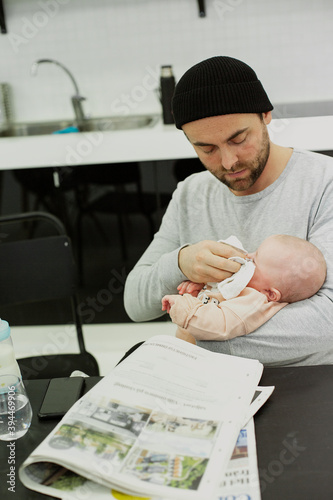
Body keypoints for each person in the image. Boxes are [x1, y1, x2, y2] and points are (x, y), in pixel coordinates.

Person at [124, 55, 333, 366]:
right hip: (210, 382)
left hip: (304, 384)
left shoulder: (323, 183)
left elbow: (326, 322)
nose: (227, 162)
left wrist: (196, 338)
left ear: (266, 115)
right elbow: (135, 304)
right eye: (206, 149)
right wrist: (182, 262)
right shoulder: (191, 193)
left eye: (238, 139)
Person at [161, 235, 327, 345]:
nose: (247, 257)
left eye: (255, 260)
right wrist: (203, 287)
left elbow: (219, 324)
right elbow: (217, 297)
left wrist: (183, 306)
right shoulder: (247, 285)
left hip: (196, 359)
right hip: (184, 346)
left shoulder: (253, 302)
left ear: (270, 294)